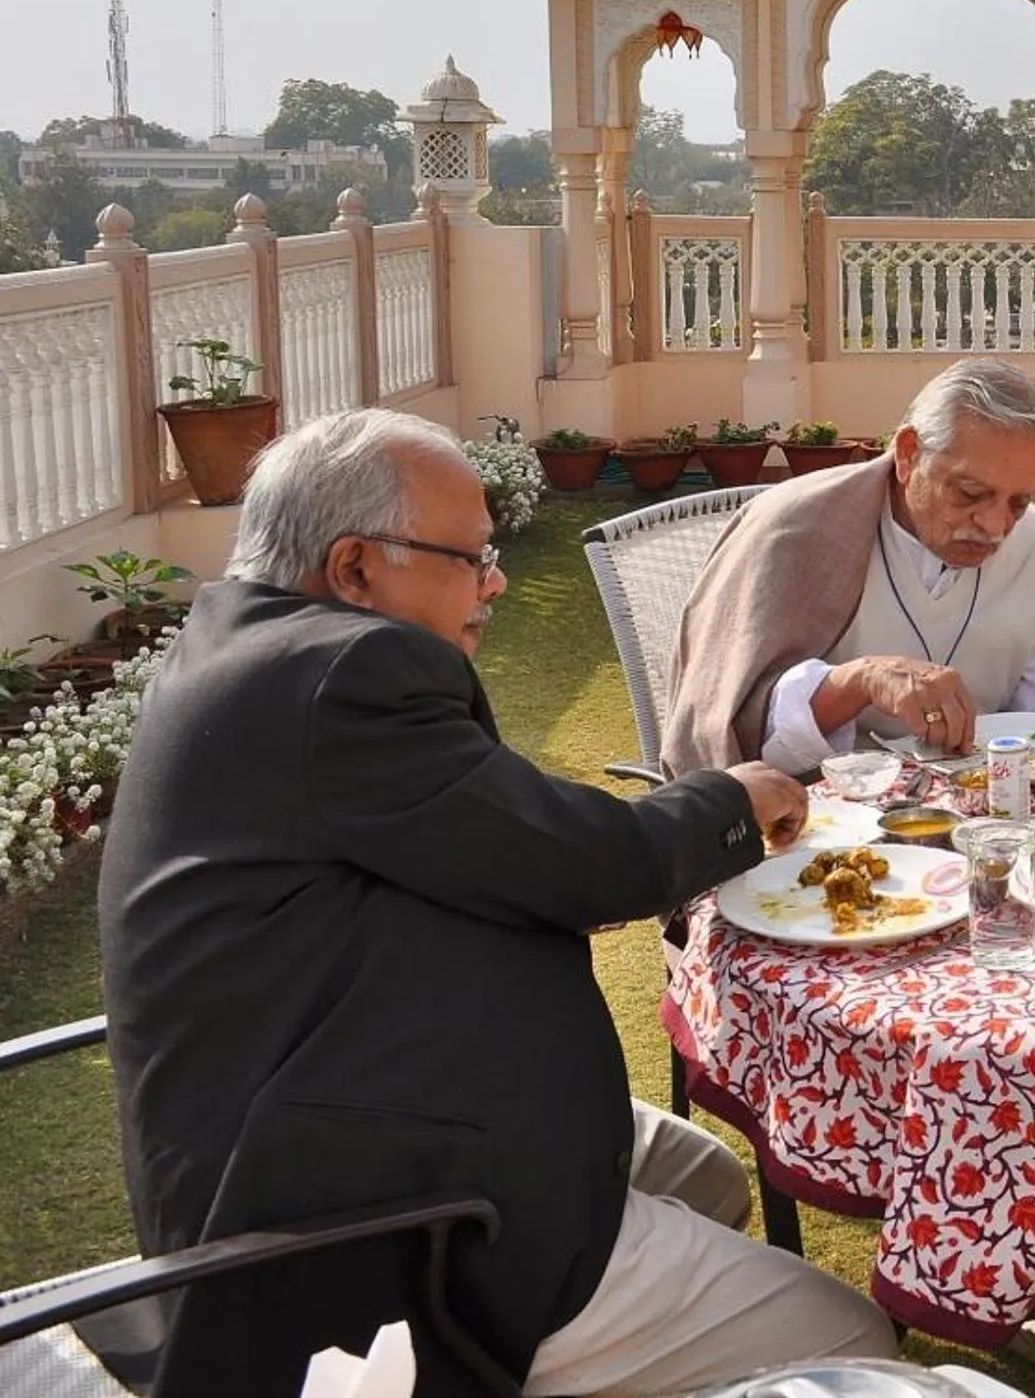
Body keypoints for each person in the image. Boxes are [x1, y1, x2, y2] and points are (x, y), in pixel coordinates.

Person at [98, 408, 895, 1396]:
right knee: (850, 1334)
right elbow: (576, 862)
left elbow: (495, 829)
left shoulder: (243, 640)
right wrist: (732, 796)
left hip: (316, 1110)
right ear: (353, 568)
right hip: (362, 1212)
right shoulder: (345, 674)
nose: (496, 579)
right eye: (470, 557)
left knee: (711, 1178)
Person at [667, 357, 1035, 775]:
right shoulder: (793, 531)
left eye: (1020, 502)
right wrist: (861, 681)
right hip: (813, 818)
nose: (995, 527)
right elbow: (728, 728)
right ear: (908, 455)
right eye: (969, 493)